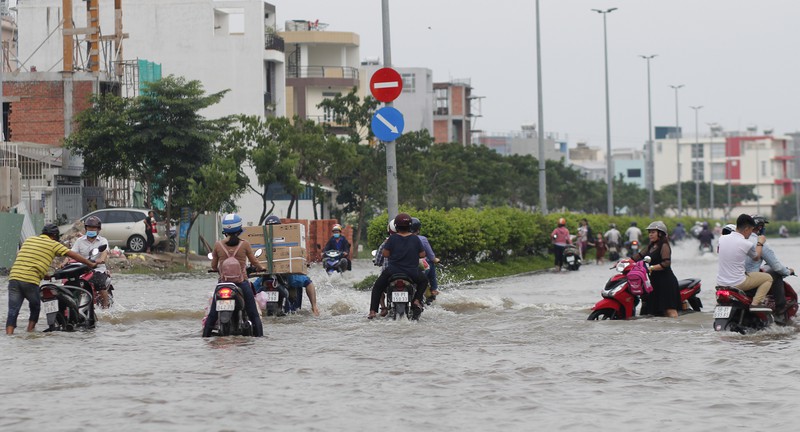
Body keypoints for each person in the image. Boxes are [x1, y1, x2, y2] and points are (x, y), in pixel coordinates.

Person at [6, 224, 97, 335]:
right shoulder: (53, 244)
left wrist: (44, 275)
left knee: (13, 310)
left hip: (14, 278)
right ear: (54, 235)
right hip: (30, 280)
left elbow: (31, 259)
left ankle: (9, 334)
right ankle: (30, 332)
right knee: (35, 307)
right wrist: (89, 263)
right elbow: (72, 254)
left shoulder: (29, 240)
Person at [203, 213, 266, 337]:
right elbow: (254, 262)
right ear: (239, 229)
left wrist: (217, 268)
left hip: (223, 283)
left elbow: (213, 266)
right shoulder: (245, 244)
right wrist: (262, 268)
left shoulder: (218, 245)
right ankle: (260, 339)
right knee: (253, 314)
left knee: (212, 316)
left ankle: (205, 338)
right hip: (241, 283)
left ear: (225, 230)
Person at [367, 213, 428, 319]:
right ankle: (417, 300)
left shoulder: (392, 239)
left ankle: (372, 311)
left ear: (396, 226)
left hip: (393, 271)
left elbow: (385, 254)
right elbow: (422, 255)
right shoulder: (415, 239)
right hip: (412, 272)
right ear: (410, 226)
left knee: (377, 287)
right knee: (424, 281)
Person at [259, 216, 320, 316]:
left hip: (267, 274)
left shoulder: (262, 240)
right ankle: (314, 307)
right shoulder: (286, 238)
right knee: (308, 282)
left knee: (253, 289)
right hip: (283, 273)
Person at [716, 214, 772, 308]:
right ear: (746, 229)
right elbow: (756, 257)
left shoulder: (721, 239)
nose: (751, 234)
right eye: (751, 230)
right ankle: (755, 304)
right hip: (738, 283)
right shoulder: (747, 244)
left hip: (720, 283)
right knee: (768, 278)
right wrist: (760, 243)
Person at [746, 215, 795, 316]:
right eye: (762, 227)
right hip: (749, 282)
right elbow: (777, 267)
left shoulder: (739, 241)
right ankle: (781, 308)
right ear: (759, 228)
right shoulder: (760, 243)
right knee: (775, 274)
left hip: (733, 280)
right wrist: (788, 271)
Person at [632, 221, 681, 318]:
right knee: (655, 312)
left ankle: (675, 330)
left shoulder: (664, 246)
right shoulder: (651, 246)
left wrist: (651, 268)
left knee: (669, 311)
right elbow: (639, 256)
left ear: (660, 233)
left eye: (653, 232)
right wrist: (625, 262)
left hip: (666, 282)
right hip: (653, 282)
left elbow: (666, 263)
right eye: (649, 232)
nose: (650, 234)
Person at [70, 216, 112, 308]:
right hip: (81, 269)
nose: (91, 229)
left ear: (98, 229)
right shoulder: (79, 241)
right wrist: (65, 262)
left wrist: (101, 260)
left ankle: (106, 307)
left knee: (99, 284)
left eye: (94, 228)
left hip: (97, 269)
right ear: (86, 228)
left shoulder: (102, 240)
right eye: (89, 227)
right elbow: (72, 253)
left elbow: (104, 252)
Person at [410, 217, 440, 300]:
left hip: (399, 268)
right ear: (418, 229)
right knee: (430, 262)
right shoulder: (422, 239)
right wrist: (435, 260)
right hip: (414, 268)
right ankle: (434, 289)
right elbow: (430, 256)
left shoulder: (395, 238)